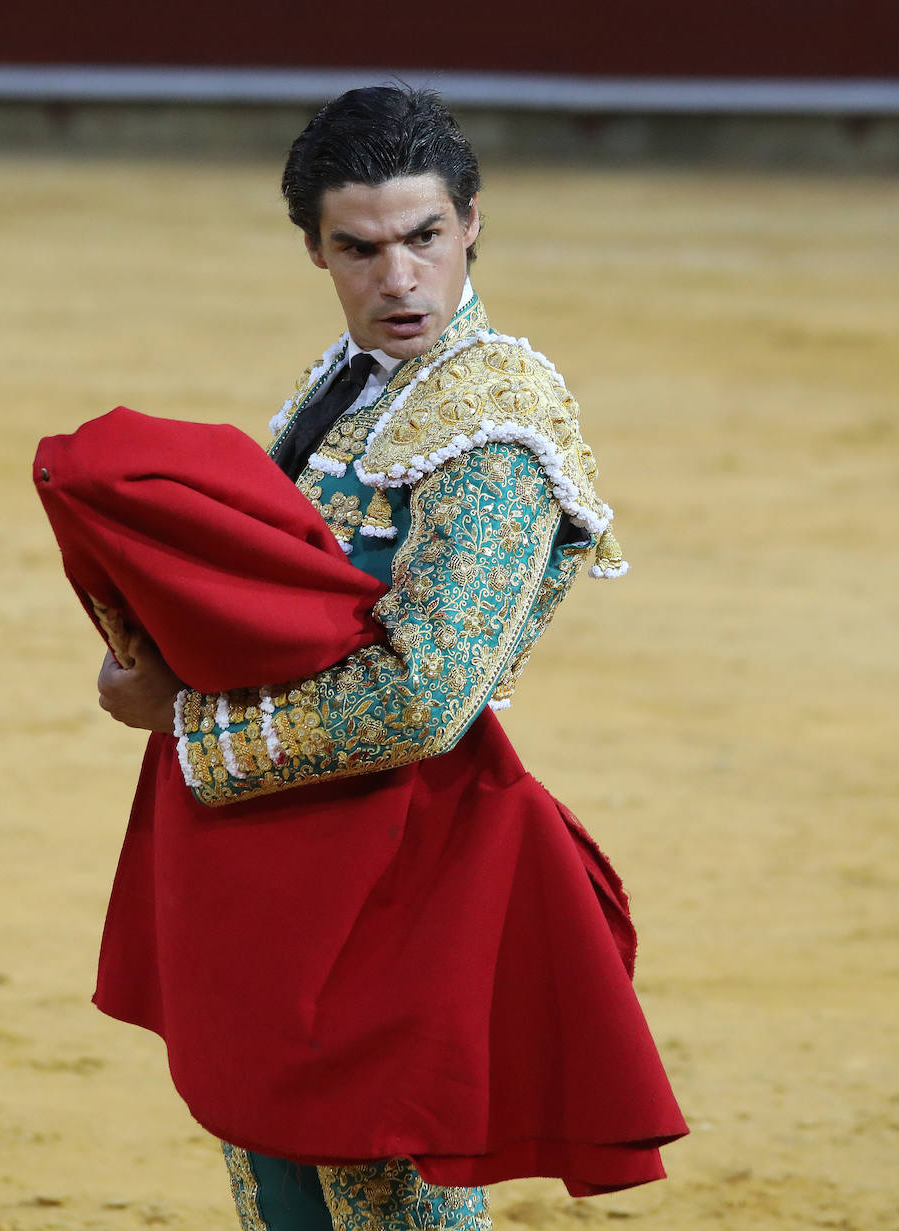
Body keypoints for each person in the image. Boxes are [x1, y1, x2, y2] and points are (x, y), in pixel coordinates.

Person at [91, 85, 686, 1230]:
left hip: (410, 859)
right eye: (360, 249)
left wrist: (189, 718)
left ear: (471, 225)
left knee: (376, 1175)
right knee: (276, 1153)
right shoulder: (352, 381)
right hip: (309, 840)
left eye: (423, 238)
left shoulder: (492, 423)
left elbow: (424, 696)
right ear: (316, 250)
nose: (398, 278)